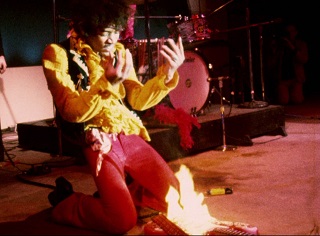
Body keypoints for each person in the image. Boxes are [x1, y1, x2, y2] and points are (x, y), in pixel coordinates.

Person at [41, 0, 185, 234]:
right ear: (85, 28)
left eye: (116, 32)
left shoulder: (117, 50)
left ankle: (122, 194)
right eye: (104, 33)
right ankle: (67, 202)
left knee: (177, 198)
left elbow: (137, 100)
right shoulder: (57, 54)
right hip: (95, 137)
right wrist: (105, 84)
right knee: (122, 221)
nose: (112, 40)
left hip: (125, 132)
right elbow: (70, 111)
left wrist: (166, 77)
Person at [271, 22, 309, 105]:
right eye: (287, 32)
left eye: (291, 31)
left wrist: (292, 48)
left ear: (296, 32)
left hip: (296, 78)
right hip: (283, 79)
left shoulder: (301, 44)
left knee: (297, 100)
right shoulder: (280, 46)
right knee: (283, 101)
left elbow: (304, 59)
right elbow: (272, 63)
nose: (289, 34)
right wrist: (274, 51)